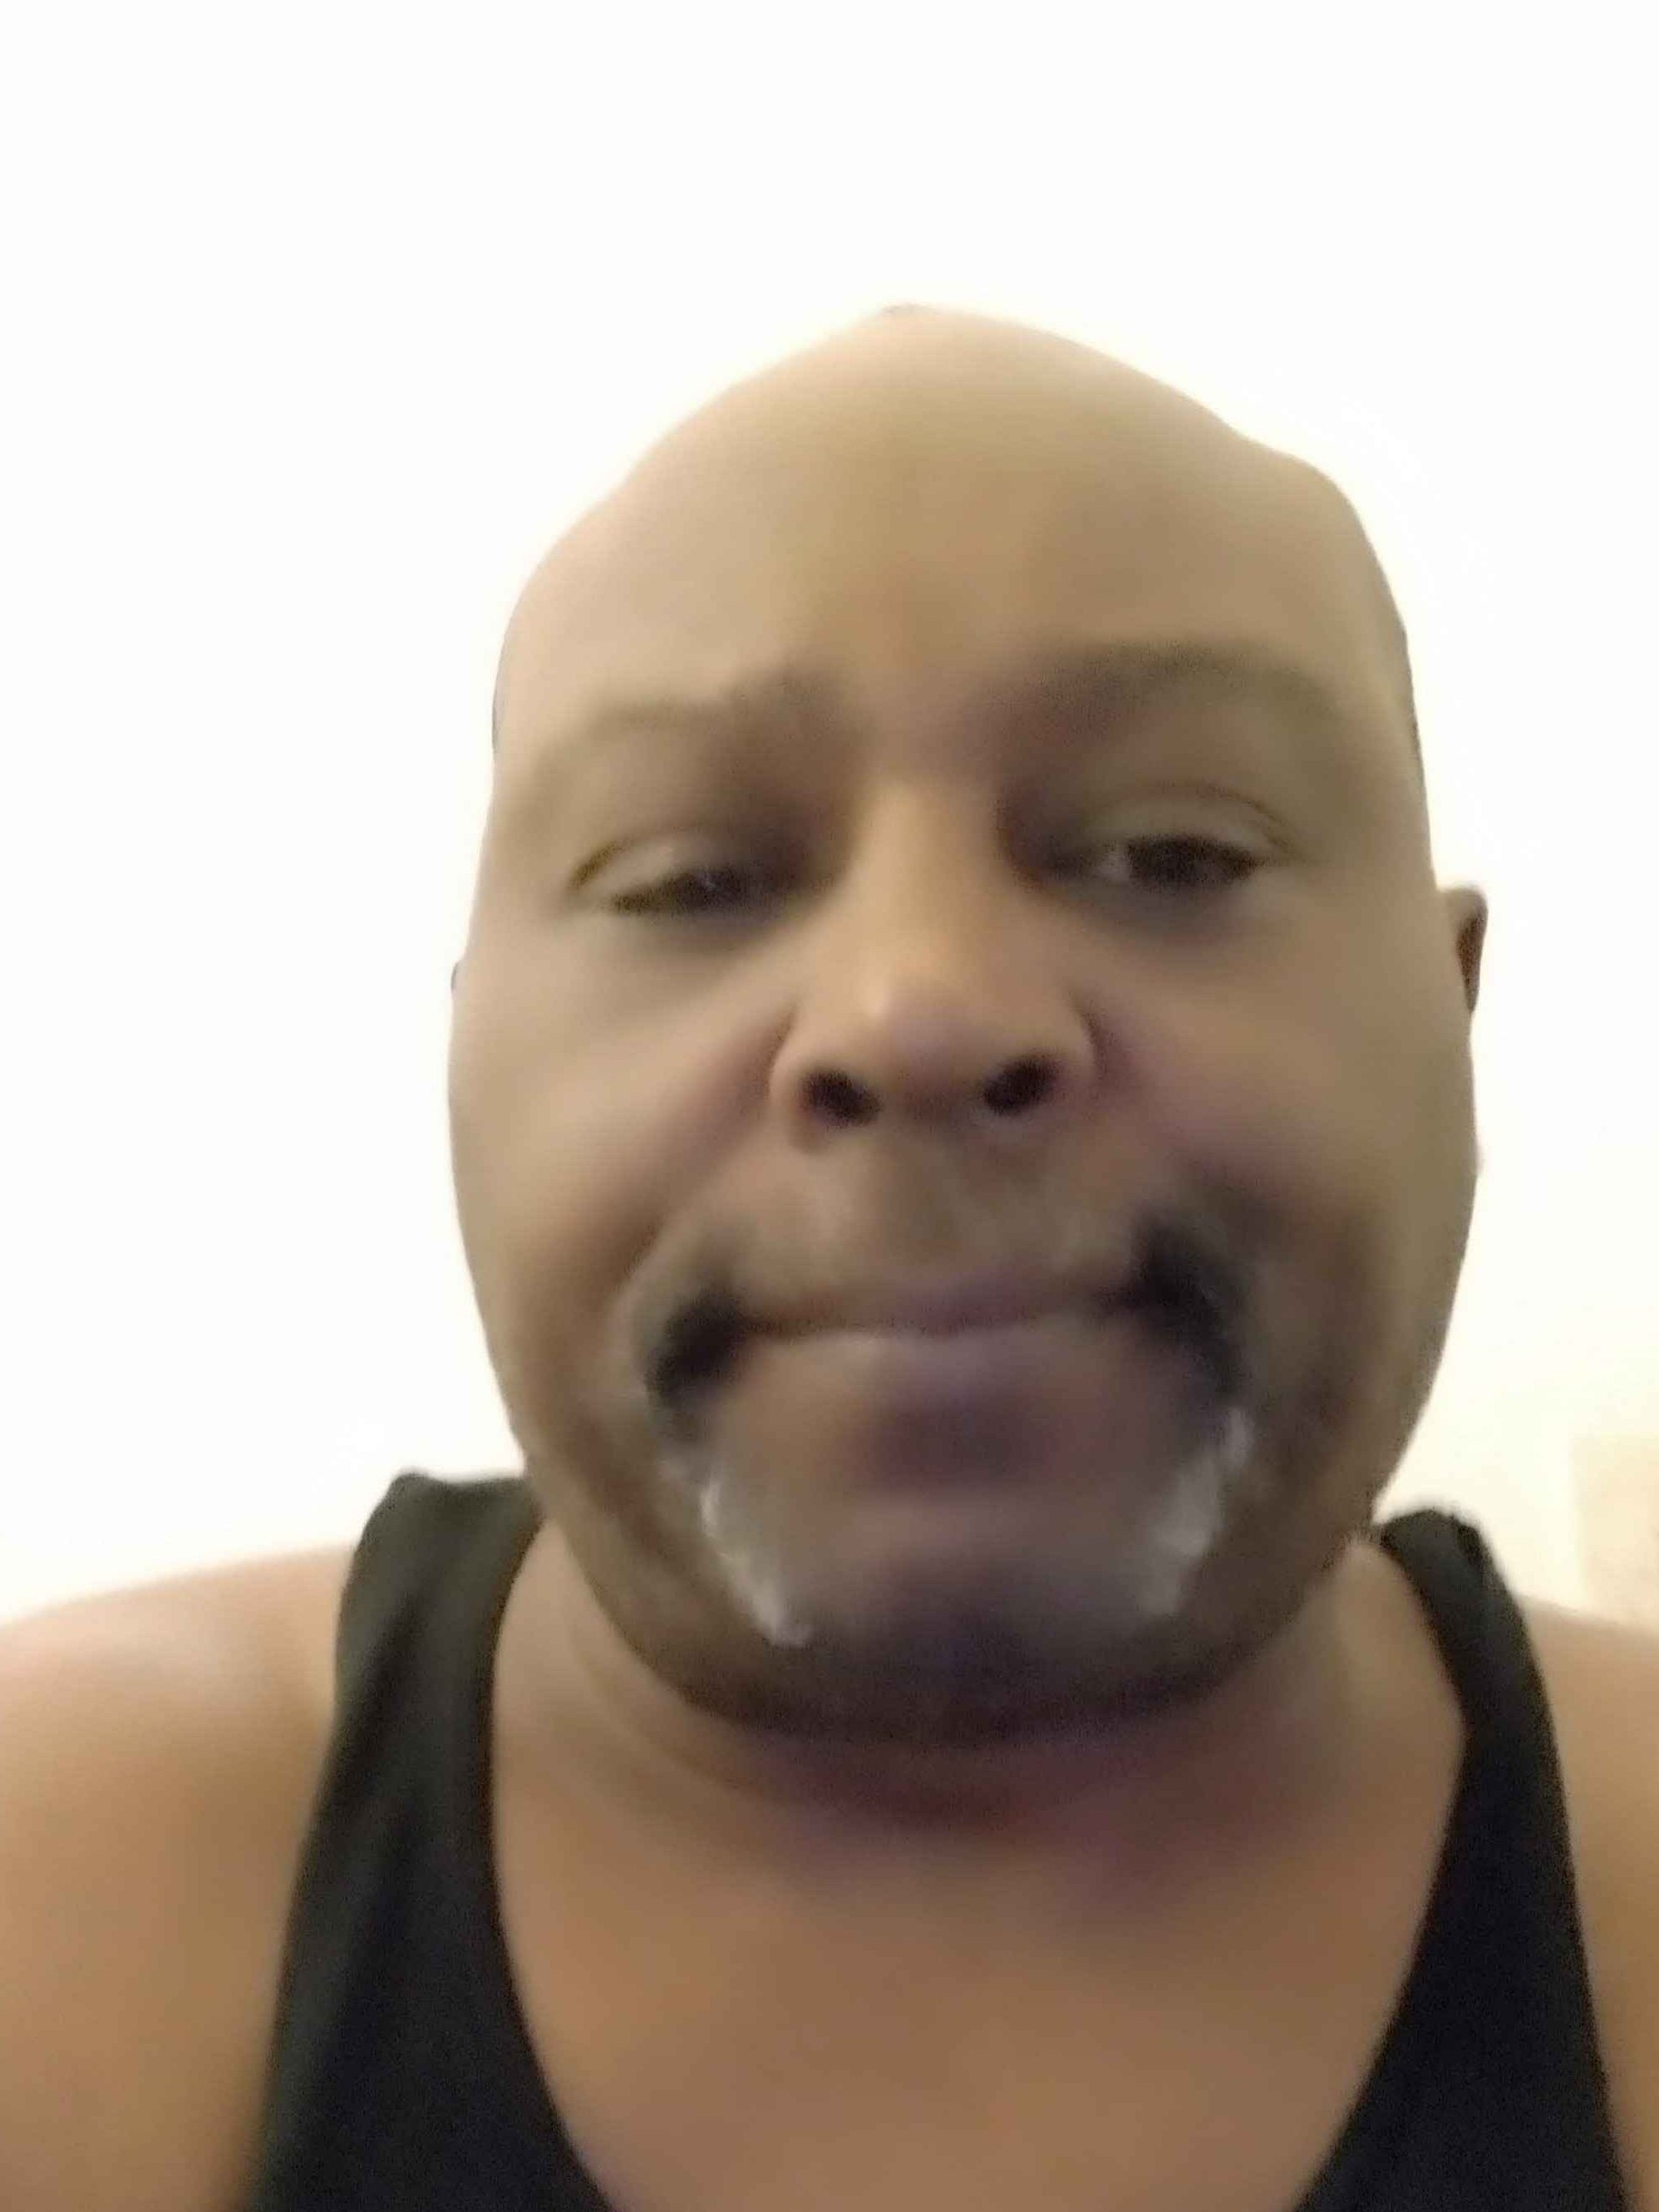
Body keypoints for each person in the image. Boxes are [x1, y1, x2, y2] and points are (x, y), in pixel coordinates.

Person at [2, 305, 1655, 2212]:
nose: (916, 1009)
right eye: (691, 881)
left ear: (1448, 1008)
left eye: (1170, 854)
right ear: (469, 1060)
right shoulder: (65, 1887)